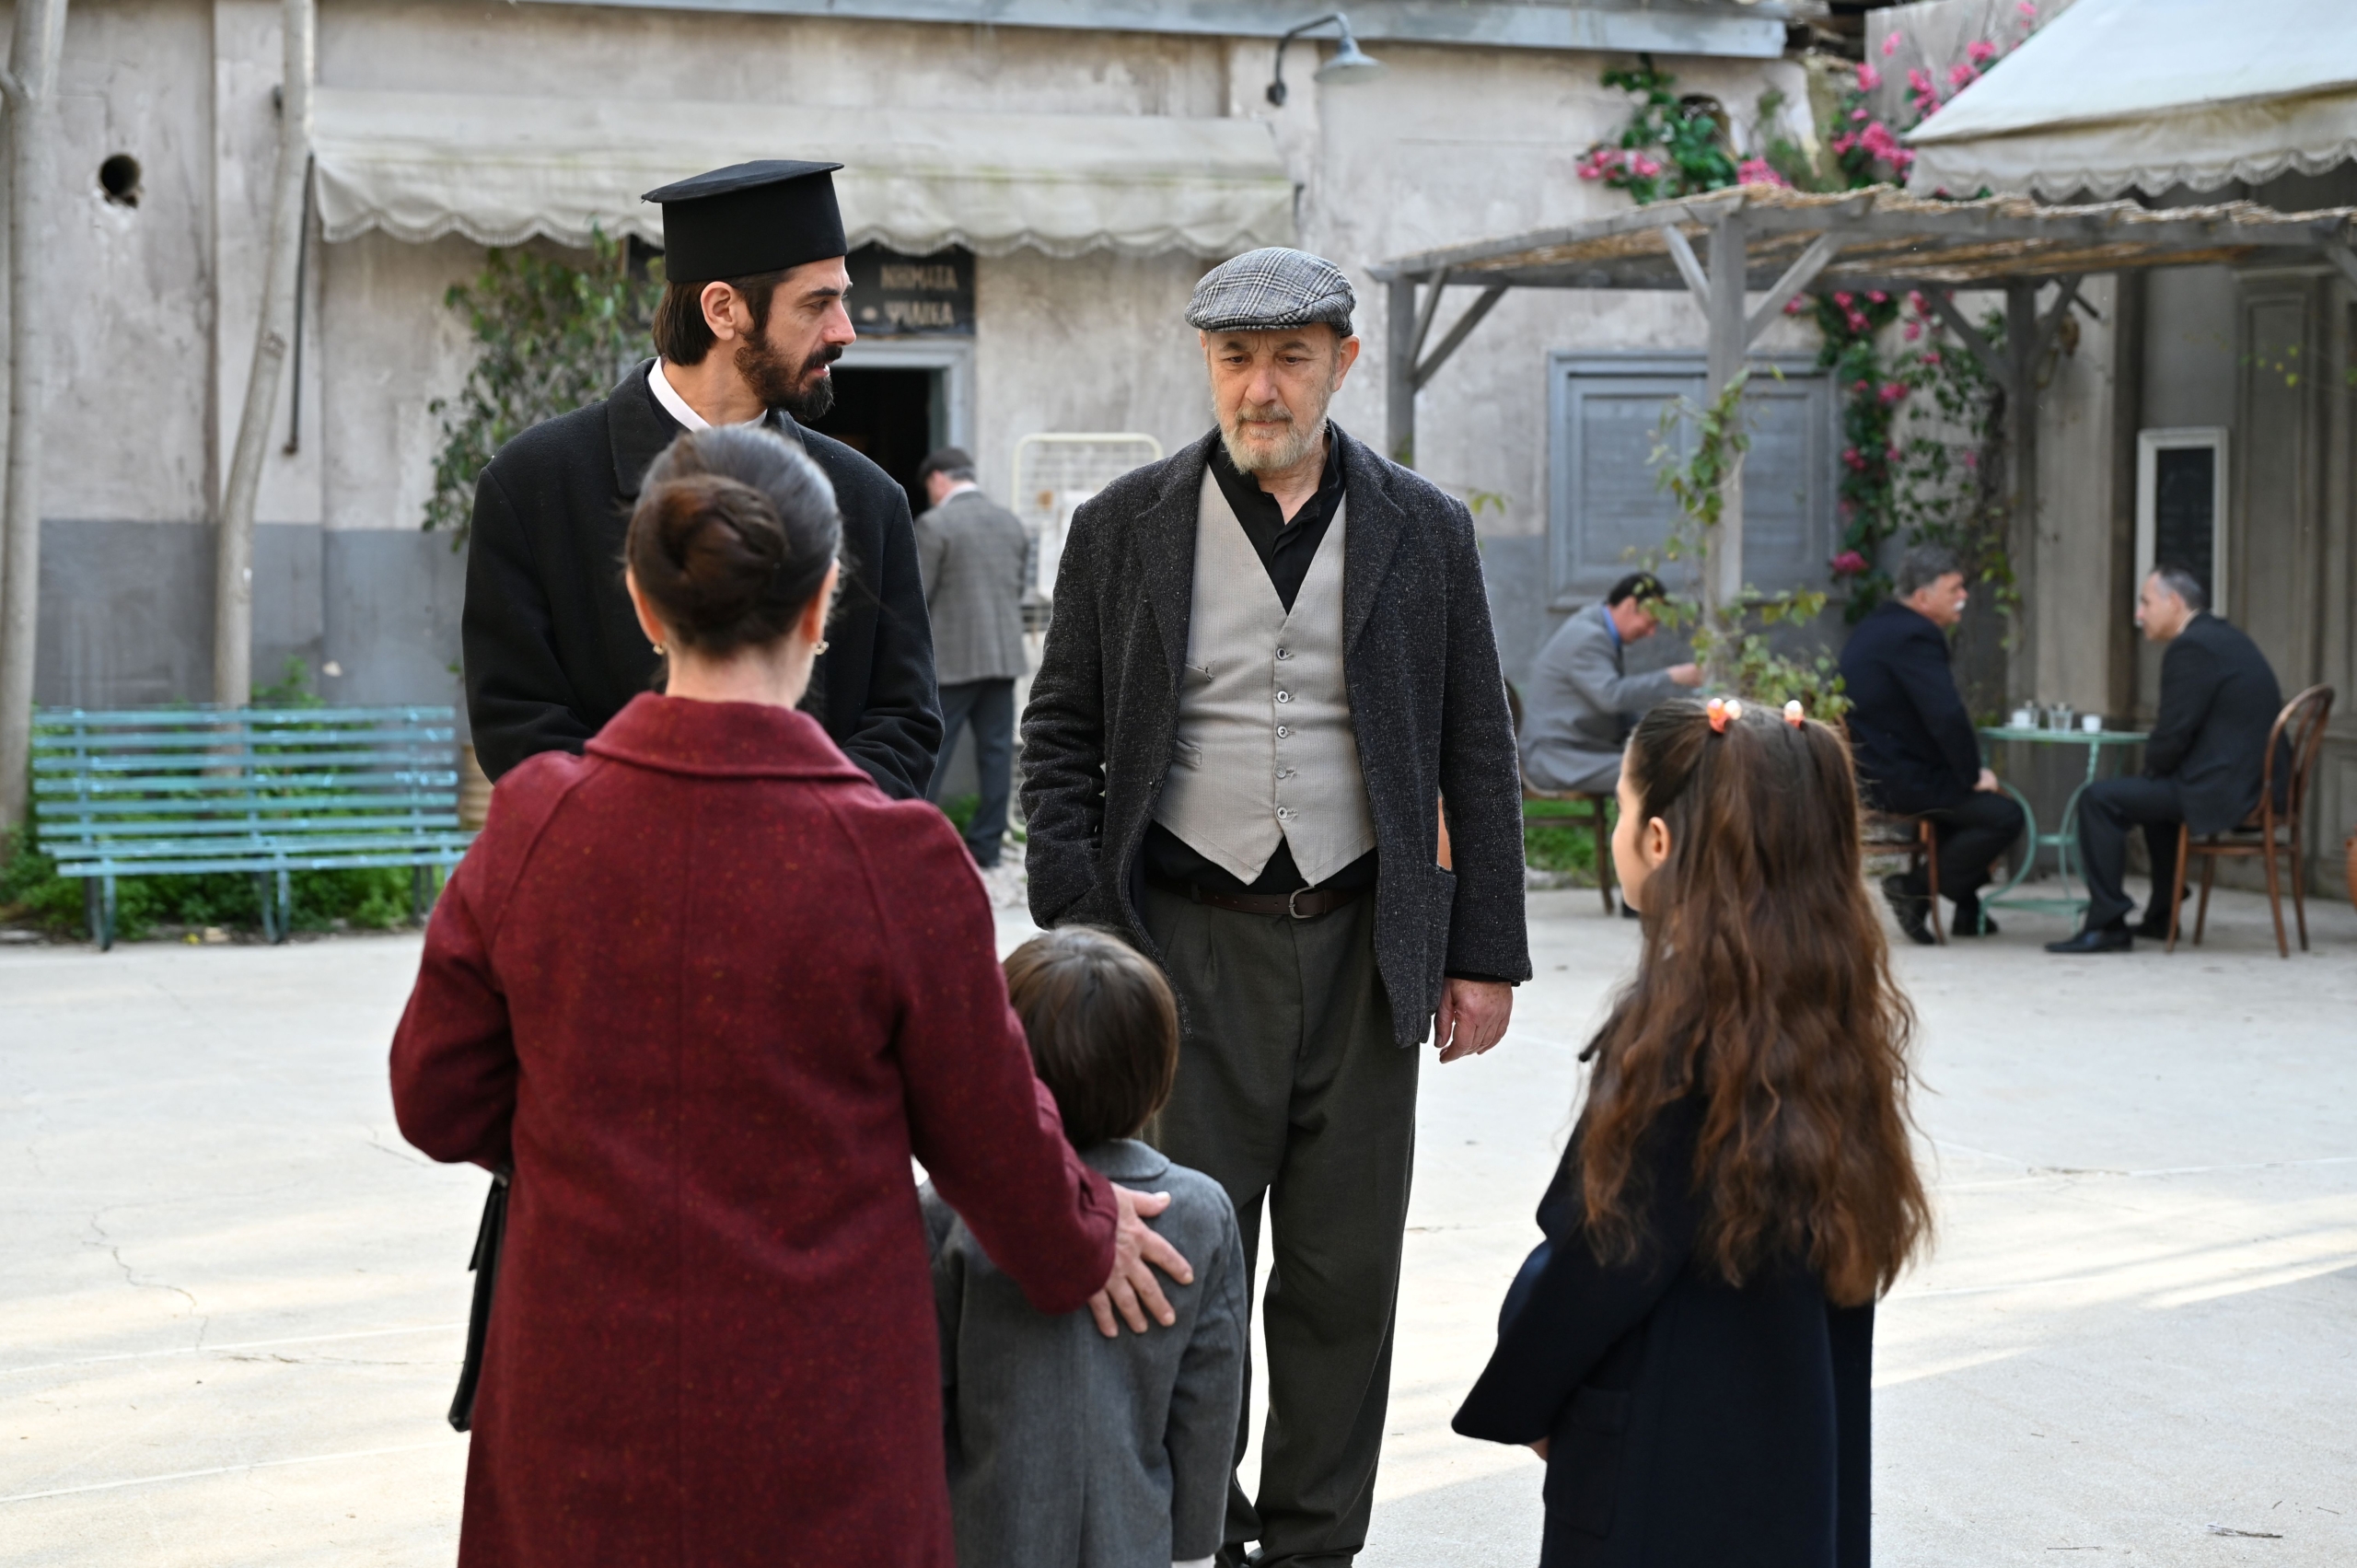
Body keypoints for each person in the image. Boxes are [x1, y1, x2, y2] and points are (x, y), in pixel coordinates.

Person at [391, 425, 1190, 1568]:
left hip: (580, 1385)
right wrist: (1085, 1235)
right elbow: (991, 1138)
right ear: (823, 605)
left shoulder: (537, 823)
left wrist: (588, 1139)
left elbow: (435, 1096)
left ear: (643, 603)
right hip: (820, 1409)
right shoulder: (897, 857)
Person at [1021, 246, 1532, 1568]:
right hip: (1180, 944)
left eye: (1291, 358)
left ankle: (1314, 1544)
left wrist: (1482, 951)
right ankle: (1205, 1530)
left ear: (1342, 364)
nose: (1262, 387)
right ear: (1207, 364)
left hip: (1366, 942)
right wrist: (1089, 929)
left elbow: (1476, 744)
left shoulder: (1426, 526)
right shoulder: (1123, 523)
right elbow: (1060, 735)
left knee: (1344, 1273)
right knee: (1189, 1258)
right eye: (1236, 358)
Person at [1455, 695, 1932, 1567]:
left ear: (1659, 840)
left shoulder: (1679, 1039)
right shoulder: (1837, 1028)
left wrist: (1528, 1393)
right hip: (1794, 1477)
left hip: (1660, 1482)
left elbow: (1600, 1260)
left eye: (1624, 809)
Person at [461, 159, 941, 798]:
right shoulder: (532, 485)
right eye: (817, 303)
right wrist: (675, 827)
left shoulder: (870, 498)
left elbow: (905, 722)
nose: (844, 331)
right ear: (722, 309)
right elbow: (517, 724)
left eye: (842, 298)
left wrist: (792, 828)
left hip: (812, 860)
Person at [926, 926, 1248, 1568]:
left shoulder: (951, 1213)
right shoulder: (1199, 1212)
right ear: (1159, 1068)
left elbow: (922, 1397)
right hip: (1136, 1538)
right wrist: (1192, 1547)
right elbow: (1209, 1401)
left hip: (984, 1539)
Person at [2046, 564, 2283, 955]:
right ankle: (2161, 912)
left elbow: (2173, 733)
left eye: (2145, 603)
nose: (2139, 614)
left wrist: (2150, 773)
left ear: (2174, 602)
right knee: (2152, 795)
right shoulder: (2221, 636)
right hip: (2249, 782)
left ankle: (2107, 923)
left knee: (2098, 800)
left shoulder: (2191, 647)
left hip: (2225, 789)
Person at [1839, 544, 2026, 943]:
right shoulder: (1916, 635)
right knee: (2004, 815)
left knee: (1964, 810)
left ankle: (1966, 909)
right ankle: (1914, 889)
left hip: (1872, 769)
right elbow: (1946, 715)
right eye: (1954, 589)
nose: (1964, 596)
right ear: (1923, 598)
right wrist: (1971, 775)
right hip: (1895, 778)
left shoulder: (1879, 624)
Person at [913, 446, 1031, 866]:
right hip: (1003, 657)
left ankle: (915, 839)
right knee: (997, 753)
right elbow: (1018, 587)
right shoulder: (1010, 522)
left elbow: (917, 598)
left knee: (932, 750)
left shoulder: (934, 525)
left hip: (952, 660)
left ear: (937, 479)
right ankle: (987, 847)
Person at [1518, 571, 1701, 795]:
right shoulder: (1588, 637)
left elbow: (1616, 712)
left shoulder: (1595, 630)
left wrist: (1666, 729)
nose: (1651, 633)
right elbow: (1611, 697)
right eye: (1650, 622)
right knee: (1655, 771)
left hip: (1575, 750)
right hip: (1556, 759)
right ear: (1630, 605)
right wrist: (1672, 676)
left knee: (1667, 761)